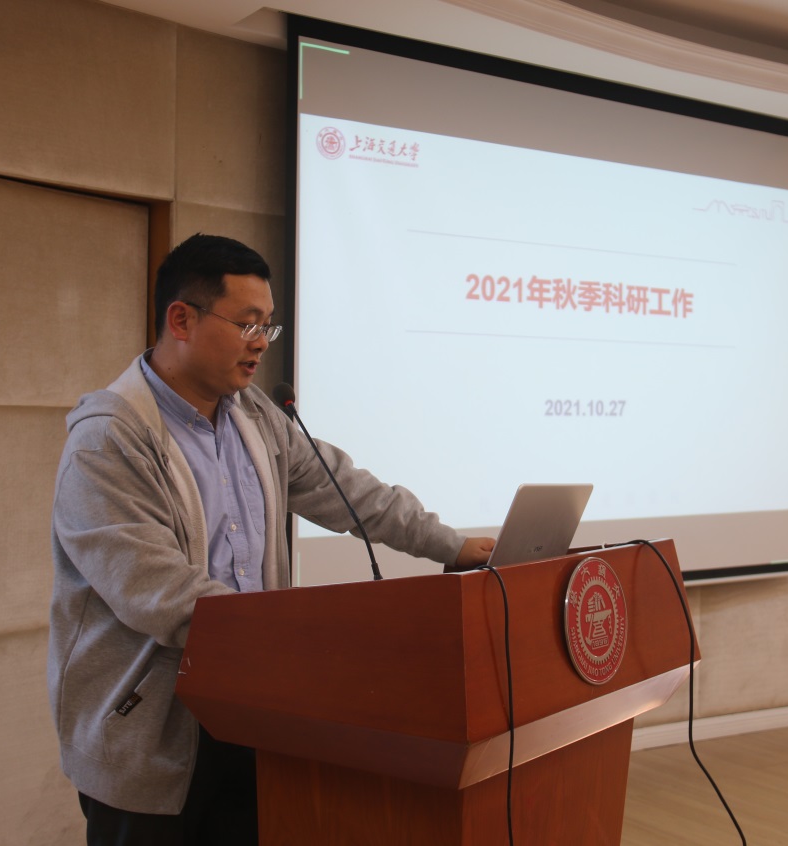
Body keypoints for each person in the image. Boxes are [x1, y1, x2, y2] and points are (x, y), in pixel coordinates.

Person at [47, 233, 494, 845]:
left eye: (268, 326)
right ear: (181, 319)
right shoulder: (108, 441)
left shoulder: (256, 417)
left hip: (254, 712)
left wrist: (455, 547)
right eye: (247, 324)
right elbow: (156, 590)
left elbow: (351, 492)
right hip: (151, 730)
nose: (261, 342)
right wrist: (295, 643)